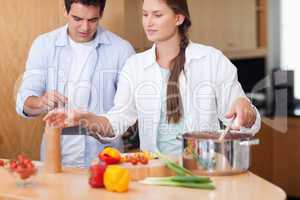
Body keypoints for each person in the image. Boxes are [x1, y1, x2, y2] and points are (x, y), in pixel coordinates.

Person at [44, 0, 261, 155]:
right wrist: (86, 118)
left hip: (202, 169)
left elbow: (243, 116)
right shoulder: (135, 66)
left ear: (178, 17)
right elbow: (117, 122)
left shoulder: (211, 60)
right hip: (155, 175)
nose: (149, 22)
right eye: (145, 14)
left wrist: (245, 110)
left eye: (157, 15)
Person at [16, 0, 135, 167]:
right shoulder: (44, 44)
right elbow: (24, 102)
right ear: (65, 11)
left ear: (101, 13)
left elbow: (124, 115)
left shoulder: (122, 49)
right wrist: (40, 102)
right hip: (56, 158)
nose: (85, 28)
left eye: (93, 20)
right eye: (77, 19)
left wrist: (87, 120)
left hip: (105, 160)